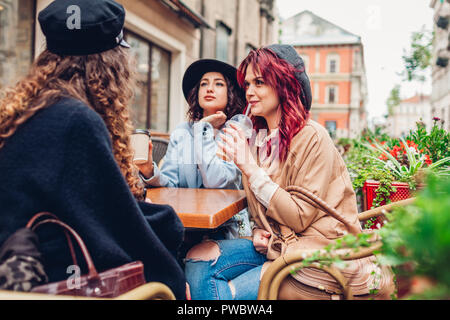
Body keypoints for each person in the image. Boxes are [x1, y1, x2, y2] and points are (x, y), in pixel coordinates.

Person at [0, 0, 186, 299]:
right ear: (111, 62)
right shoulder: (76, 120)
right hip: (55, 281)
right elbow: (118, 227)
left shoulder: (28, 110)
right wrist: (171, 230)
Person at [184, 44, 394, 300]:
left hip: (315, 255)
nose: (249, 92)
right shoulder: (258, 140)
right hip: (279, 245)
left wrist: (248, 166)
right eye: (248, 84)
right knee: (196, 258)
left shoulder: (312, 136)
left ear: (284, 85)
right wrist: (258, 230)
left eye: (259, 82)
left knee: (225, 294)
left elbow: (298, 217)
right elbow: (261, 207)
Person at [137, 59, 252, 240]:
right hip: (186, 228)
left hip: (226, 231)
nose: (209, 88)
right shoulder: (182, 132)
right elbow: (171, 186)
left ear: (231, 93)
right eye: (203, 84)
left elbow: (216, 181)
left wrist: (202, 129)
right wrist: (149, 171)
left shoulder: (236, 132)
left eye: (219, 84)